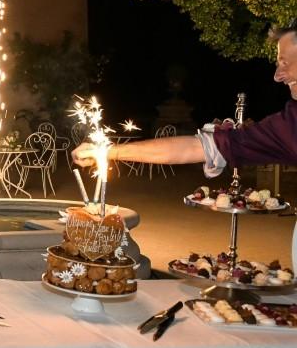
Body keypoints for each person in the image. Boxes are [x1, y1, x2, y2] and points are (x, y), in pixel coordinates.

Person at [73, 23, 297, 263]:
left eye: (284, 63)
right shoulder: (289, 124)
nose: (277, 75)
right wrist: (108, 151)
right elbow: (197, 147)